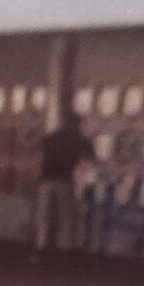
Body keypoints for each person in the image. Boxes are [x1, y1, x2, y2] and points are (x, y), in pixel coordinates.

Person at [33, 110, 93, 261]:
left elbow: (36, 147)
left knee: (44, 216)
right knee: (66, 217)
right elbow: (91, 156)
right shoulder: (78, 139)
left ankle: (41, 249)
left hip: (46, 179)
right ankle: (66, 251)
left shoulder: (53, 137)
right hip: (65, 180)